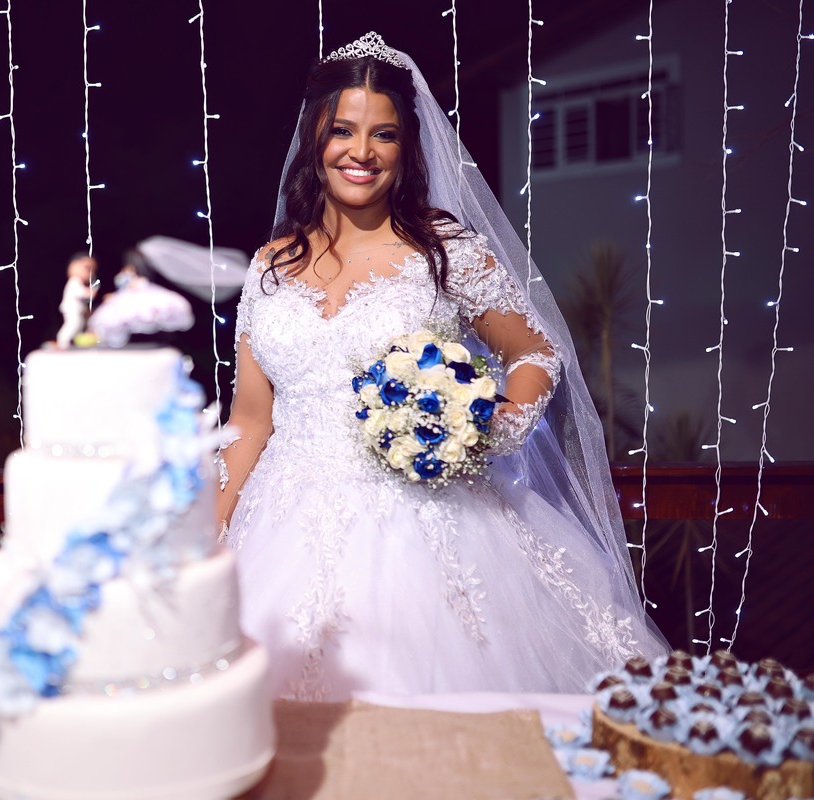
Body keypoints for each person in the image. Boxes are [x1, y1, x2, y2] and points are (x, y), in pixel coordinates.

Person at [218, 32, 668, 702]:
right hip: (280, 524)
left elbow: (536, 352)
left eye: (385, 135)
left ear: (408, 146)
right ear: (315, 138)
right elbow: (251, 422)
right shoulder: (270, 266)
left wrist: (493, 426)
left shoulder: (443, 250)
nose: (362, 152)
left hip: (426, 523)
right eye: (343, 131)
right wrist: (211, 529)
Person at [55, 253, 97, 348]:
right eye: (87, 268)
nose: (90, 273)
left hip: (77, 310)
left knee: (79, 324)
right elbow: (79, 292)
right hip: (71, 309)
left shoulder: (78, 282)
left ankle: (73, 341)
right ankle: (62, 341)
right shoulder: (74, 281)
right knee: (73, 324)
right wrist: (89, 292)